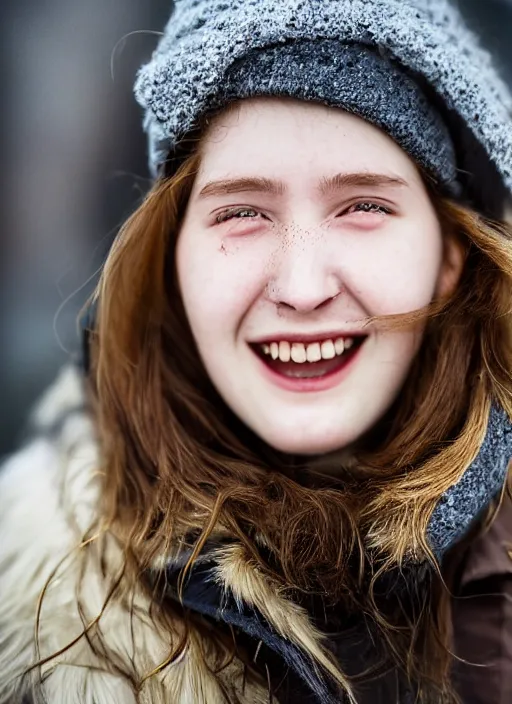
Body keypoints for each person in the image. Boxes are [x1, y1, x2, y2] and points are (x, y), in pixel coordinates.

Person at [1, 0, 511, 702]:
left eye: (364, 206)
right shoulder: (30, 616)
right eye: (242, 212)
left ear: (450, 257)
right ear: (173, 261)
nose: (302, 289)